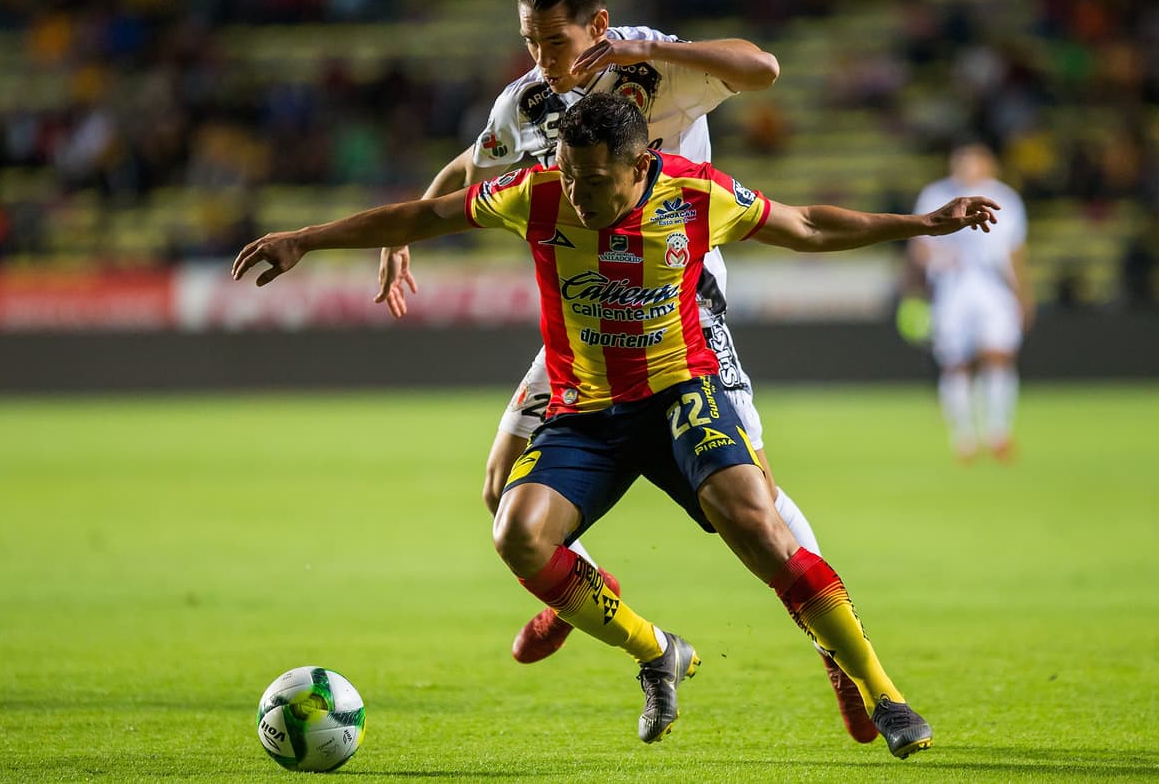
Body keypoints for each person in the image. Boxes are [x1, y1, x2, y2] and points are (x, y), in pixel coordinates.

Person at [233, 92, 1000, 758]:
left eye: (595, 181)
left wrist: (923, 224)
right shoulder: (536, 193)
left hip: (680, 394)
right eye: (569, 175)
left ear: (639, 167)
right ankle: (657, 650)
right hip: (586, 410)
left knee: (757, 520)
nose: (578, 194)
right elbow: (428, 213)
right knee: (515, 532)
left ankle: (883, 693)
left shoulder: (696, 194)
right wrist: (308, 237)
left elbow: (805, 224)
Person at [370, 0, 874, 740]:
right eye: (530, 41)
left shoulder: (653, 63)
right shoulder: (530, 100)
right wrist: (404, 232)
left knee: (758, 497)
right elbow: (474, 163)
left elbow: (762, 68)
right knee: (501, 487)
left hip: (679, 304)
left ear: (598, 25)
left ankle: (835, 651)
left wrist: (648, 48)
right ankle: (583, 591)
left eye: (554, 41)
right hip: (590, 317)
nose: (542, 58)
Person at [908, 141, 1032, 462]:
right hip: (952, 285)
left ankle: (998, 432)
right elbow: (920, 246)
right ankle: (963, 437)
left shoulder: (1007, 199)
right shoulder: (936, 195)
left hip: (994, 284)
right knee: (955, 362)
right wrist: (927, 276)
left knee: (999, 355)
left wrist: (1022, 294)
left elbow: (1015, 252)